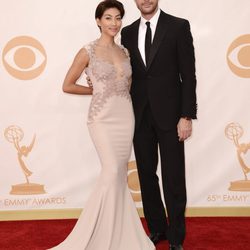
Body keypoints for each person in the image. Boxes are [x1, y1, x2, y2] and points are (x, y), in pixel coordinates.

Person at [49, 1, 155, 250]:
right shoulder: (88, 51)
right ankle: (94, 234)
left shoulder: (125, 52)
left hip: (124, 117)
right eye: (108, 18)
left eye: (118, 18)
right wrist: (95, 91)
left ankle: (120, 233)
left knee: (118, 175)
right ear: (98, 21)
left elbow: (127, 87)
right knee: (111, 172)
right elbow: (67, 85)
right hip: (101, 118)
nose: (114, 23)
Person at [121, 0, 197, 249]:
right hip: (139, 116)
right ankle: (157, 229)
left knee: (173, 177)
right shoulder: (128, 32)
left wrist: (186, 115)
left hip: (172, 116)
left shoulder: (177, 26)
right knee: (146, 175)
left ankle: (176, 238)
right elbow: (127, 73)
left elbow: (188, 75)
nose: (145, 0)